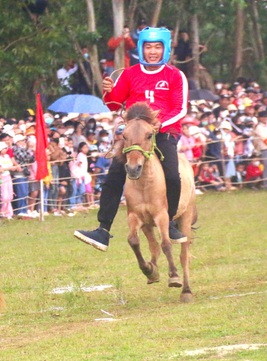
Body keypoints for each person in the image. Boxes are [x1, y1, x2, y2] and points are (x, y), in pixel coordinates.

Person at [74, 27, 188, 251]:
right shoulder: (129, 73)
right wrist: (108, 92)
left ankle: (172, 222)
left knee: (173, 176)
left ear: (165, 49)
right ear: (141, 48)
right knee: (114, 176)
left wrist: (159, 124)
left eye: (157, 47)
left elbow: (180, 108)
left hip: (164, 131)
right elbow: (115, 105)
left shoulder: (175, 75)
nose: (153, 51)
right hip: (134, 134)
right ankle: (102, 230)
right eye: (148, 47)